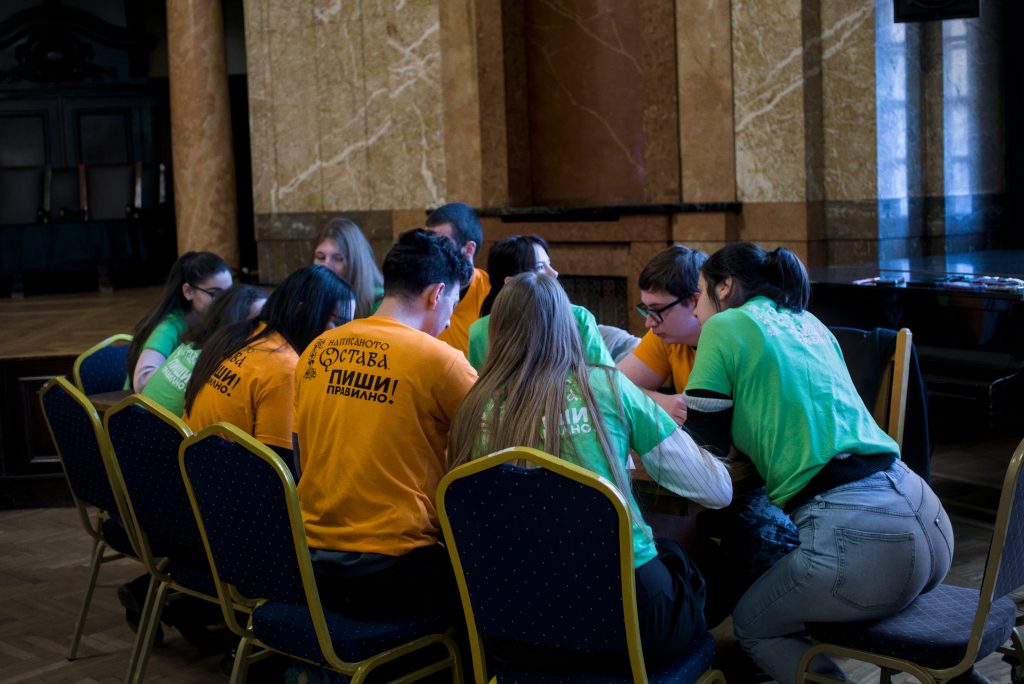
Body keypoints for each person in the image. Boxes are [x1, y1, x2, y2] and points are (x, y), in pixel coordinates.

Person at [685, 242, 954, 684]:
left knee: (755, 624)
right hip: (926, 514)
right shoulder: (808, 321)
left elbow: (702, 447)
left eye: (699, 293)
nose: (696, 309)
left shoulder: (725, 325)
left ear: (725, 286)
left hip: (864, 538)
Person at [448, 272, 732, 668]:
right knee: (698, 564)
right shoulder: (608, 388)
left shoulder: (470, 407)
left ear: (495, 330)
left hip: (513, 629)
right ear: (568, 323)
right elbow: (717, 490)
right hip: (626, 626)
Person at [293, 229, 476, 621]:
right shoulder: (441, 361)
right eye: (454, 303)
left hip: (310, 565)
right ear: (436, 294)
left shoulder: (316, 350)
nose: (449, 322)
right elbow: (498, 440)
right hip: (393, 570)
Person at [184, 265, 354, 466]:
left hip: (194, 469)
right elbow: (280, 469)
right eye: (339, 323)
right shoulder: (286, 368)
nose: (346, 335)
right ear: (301, 312)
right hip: (226, 478)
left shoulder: (238, 333)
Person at [467, 234, 613, 371]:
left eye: (549, 264)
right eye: (540, 267)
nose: (554, 273)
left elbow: (607, 378)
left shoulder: (579, 318)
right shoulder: (480, 332)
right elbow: (480, 385)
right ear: (511, 282)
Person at [141, 284, 267, 416]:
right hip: (161, 427)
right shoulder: (224, 364)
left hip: (137, 419)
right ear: (233, 324)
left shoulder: (192, 343)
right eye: (257, 323)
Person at [616, 245, 705, 426]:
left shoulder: (729, 344)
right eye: (646, 310)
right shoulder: (665, 337)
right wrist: (660, 403)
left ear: (696, 302)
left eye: (657, 310)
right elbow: (609, 386)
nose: (649, 323)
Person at [127, 251, 232, 393]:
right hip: (146, 404)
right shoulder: (168, 327)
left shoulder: (218, 321)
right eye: (215, 293)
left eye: (229, 294)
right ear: (188, 291)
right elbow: (142, 381)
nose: (225, 302)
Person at [425, 202, 490, 355]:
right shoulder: (419, 289)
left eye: (443, 243)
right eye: (429, 241)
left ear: (469, 249)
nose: (433, 251)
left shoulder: (491, 292)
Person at [312, 217, 384, 318]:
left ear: (355, 263)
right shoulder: (308, 297)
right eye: (320, 257)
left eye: (338, 259)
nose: (325, 265)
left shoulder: (380, 303)